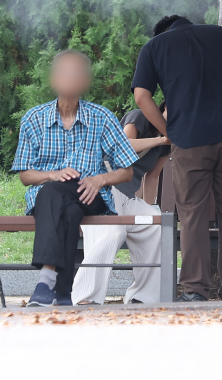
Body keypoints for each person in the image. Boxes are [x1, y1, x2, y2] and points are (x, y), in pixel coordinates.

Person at [132, 15, 222, 305]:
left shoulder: (154, 47)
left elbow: (141, 97)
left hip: (189, 142)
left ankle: (195, 290)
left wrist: (167, 133)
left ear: (161, 32)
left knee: (192, 216)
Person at [13, 50, 138, 307]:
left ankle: (45, 281)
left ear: (86, 81)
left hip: (89, 194)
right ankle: (62, 293)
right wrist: (52, 175)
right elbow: (25, 175)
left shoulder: (101, 117)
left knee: (57, 195)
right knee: (62, 205)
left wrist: (99, 180)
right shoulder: (33, 119)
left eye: (76, 74)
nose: (70, 79)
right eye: (64, 73)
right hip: (47, 197)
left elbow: (127, 171)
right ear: (53, 79)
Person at [72, 104, 171, 305]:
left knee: (156, 227)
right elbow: (122, 145)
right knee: (112, 232)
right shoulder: (139, 117)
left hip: (126, 197)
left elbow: (151, 178)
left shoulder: (167, 145)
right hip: (100, 187)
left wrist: (148, 209)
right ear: (163, 108)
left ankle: (143, 297)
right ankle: (84, 297)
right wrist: (161, 139)